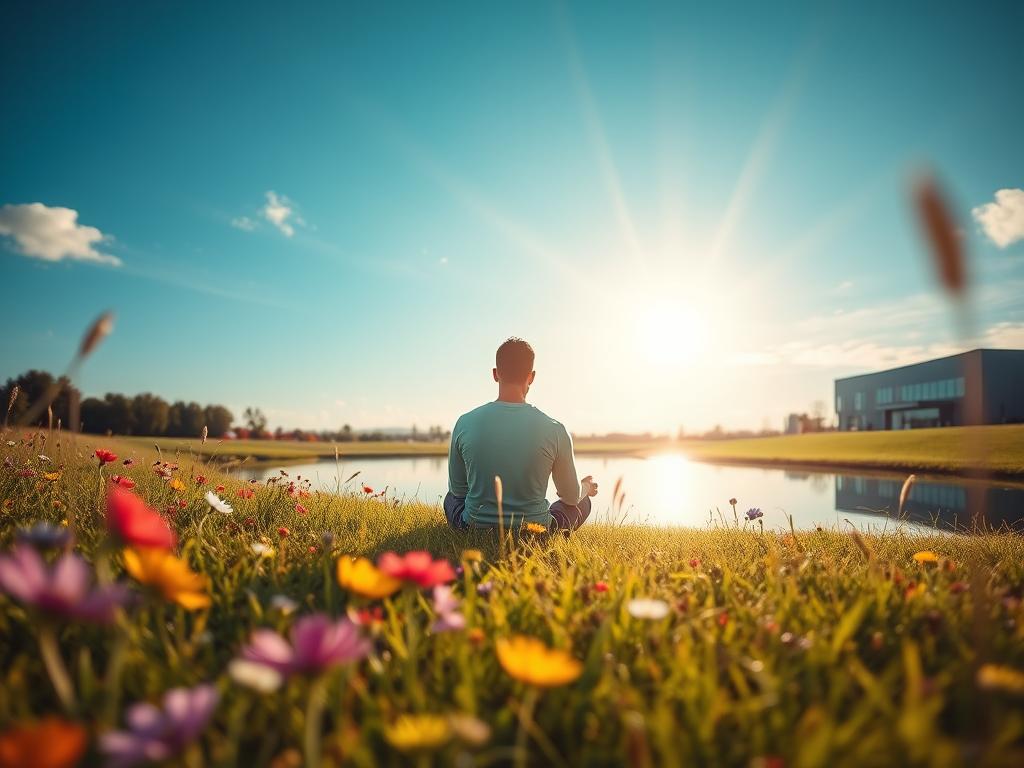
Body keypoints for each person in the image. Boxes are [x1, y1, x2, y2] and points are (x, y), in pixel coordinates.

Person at [444, 337, 598, 531]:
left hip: (472, 528)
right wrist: (586, 487)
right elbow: (571, 498)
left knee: (451, 498)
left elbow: (458, 491)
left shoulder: (464, 422)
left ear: (495, 374)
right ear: (531, 377)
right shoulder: (556, 429)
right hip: (536, 531)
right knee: (583, 502)